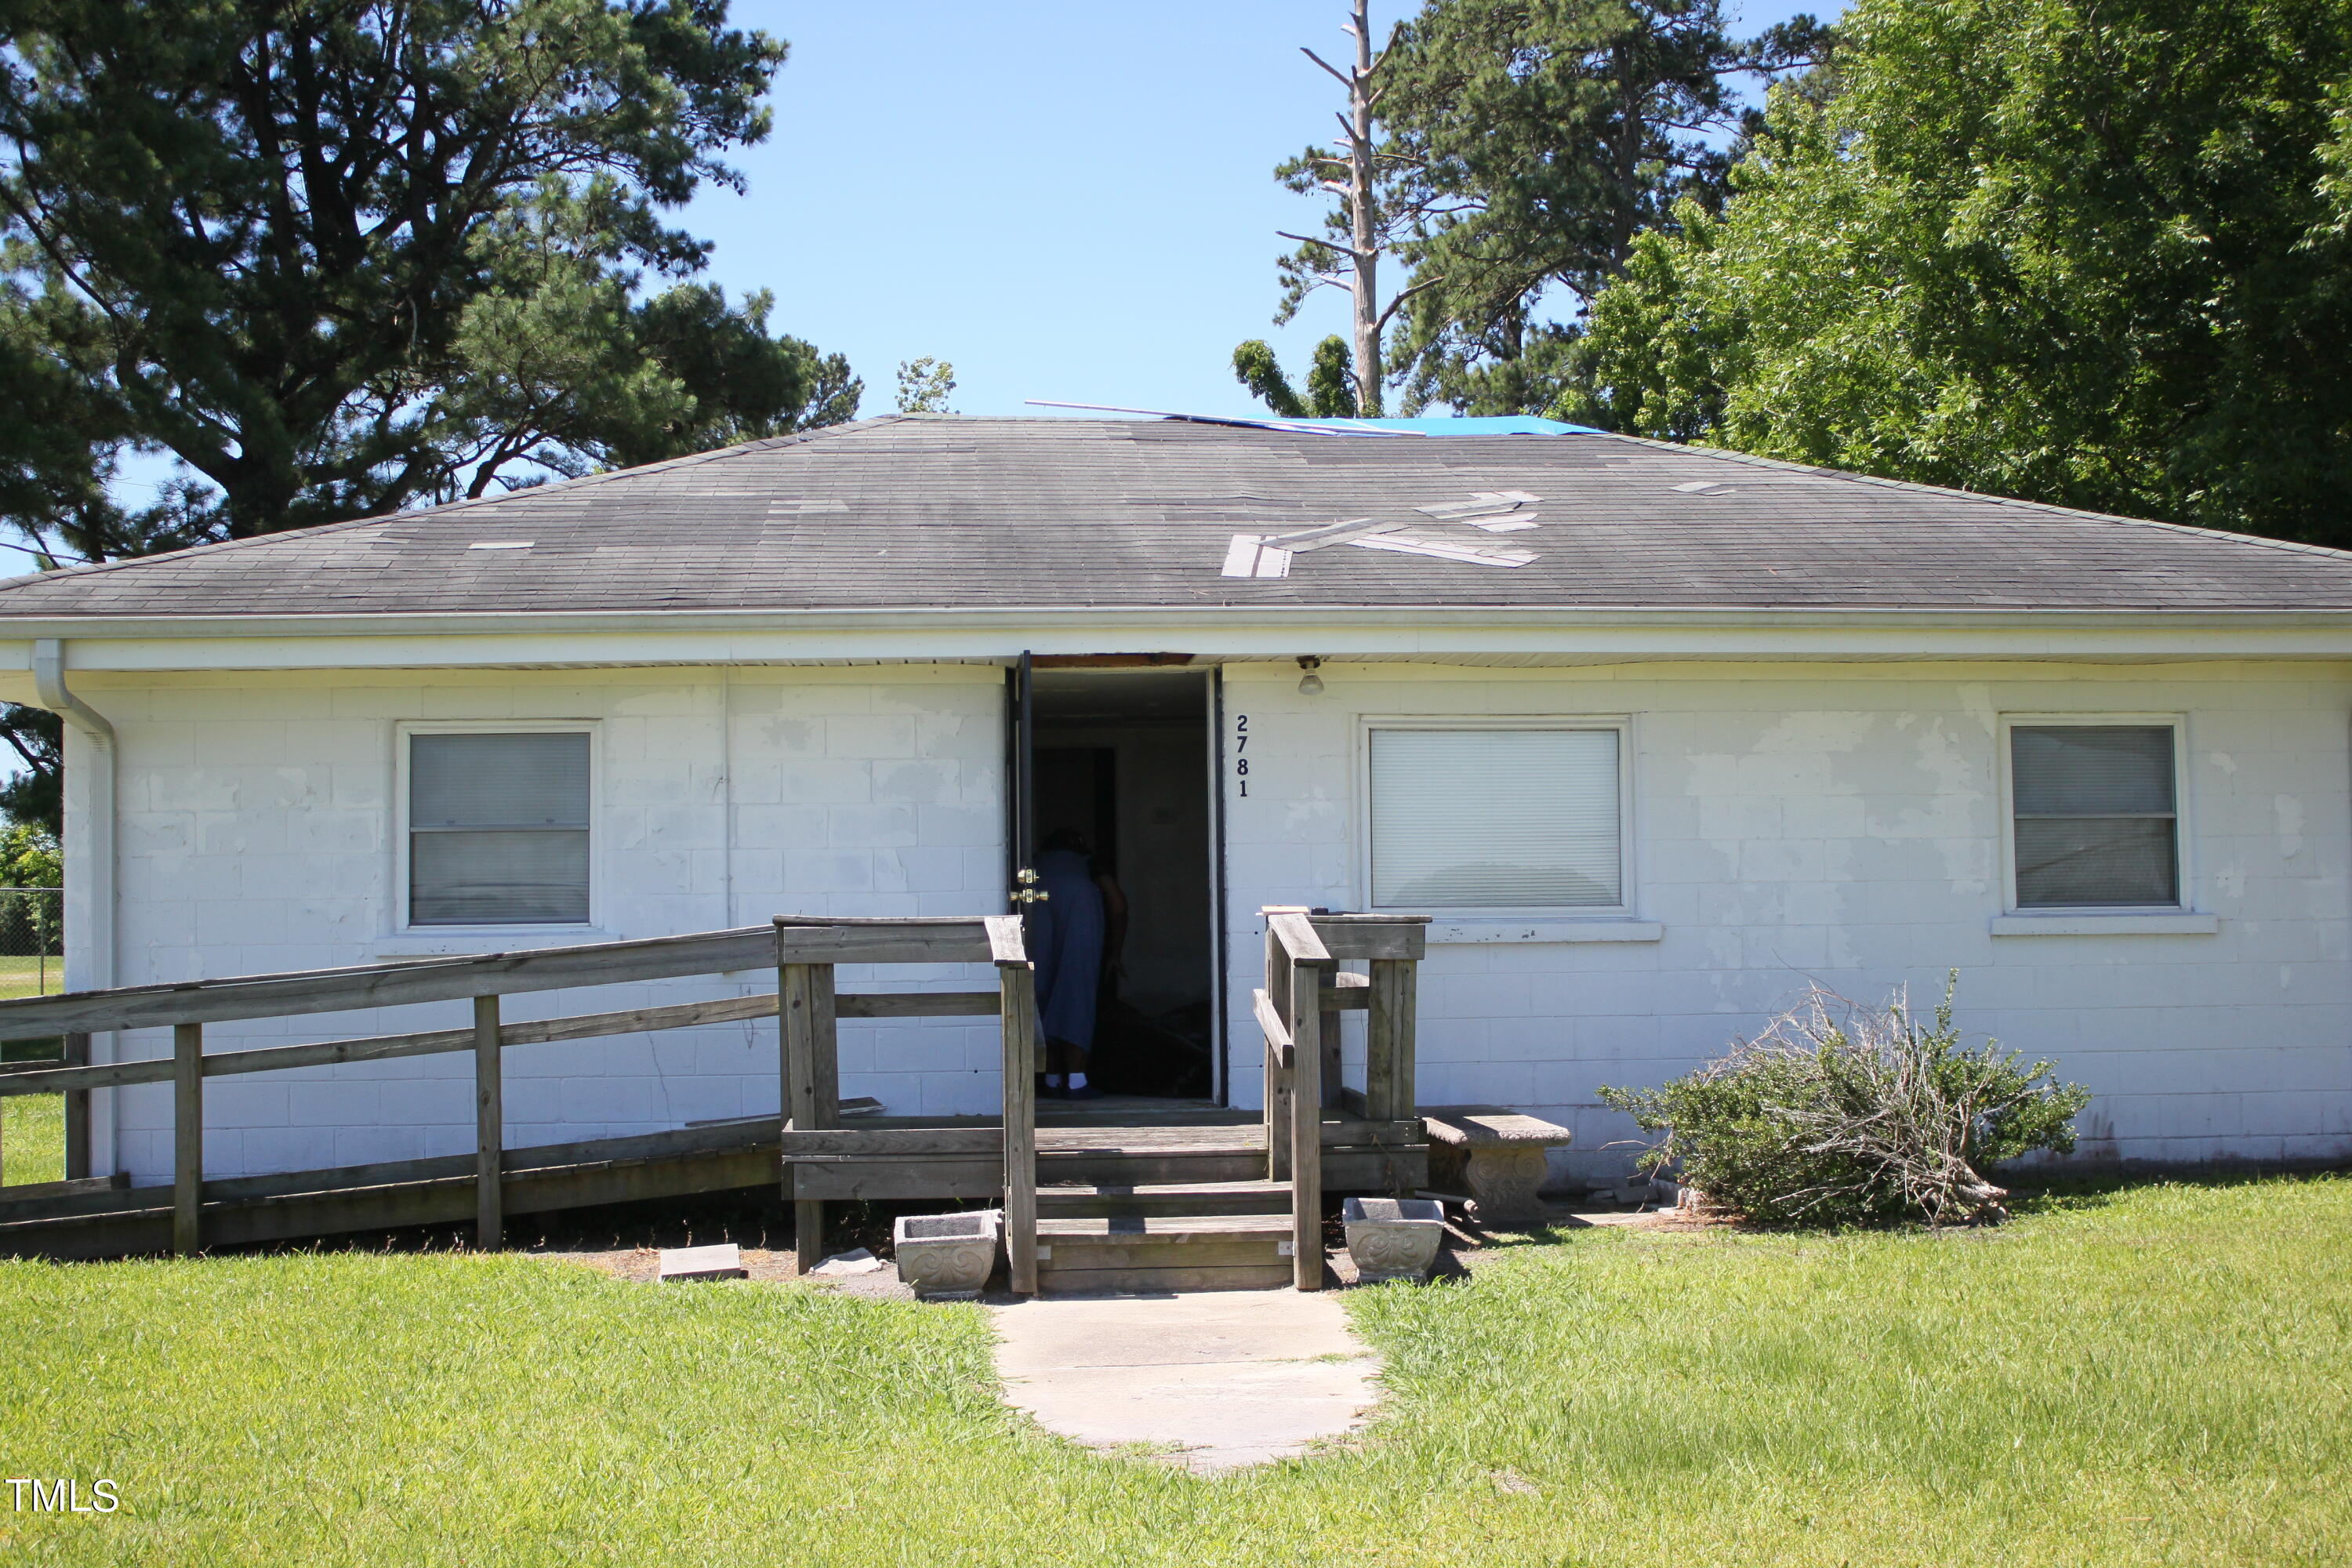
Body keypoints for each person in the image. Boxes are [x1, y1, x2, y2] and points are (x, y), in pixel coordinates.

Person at [1028, 828, 1127, 1099]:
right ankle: (1076, 1080)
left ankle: (1049, 1079)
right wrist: (1115, 953)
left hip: (1036, 906)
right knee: (1076, 989)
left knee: (1039, 992)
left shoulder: (1033, 862)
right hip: (1081, 913)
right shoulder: (1089, 863)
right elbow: (1117, 904)